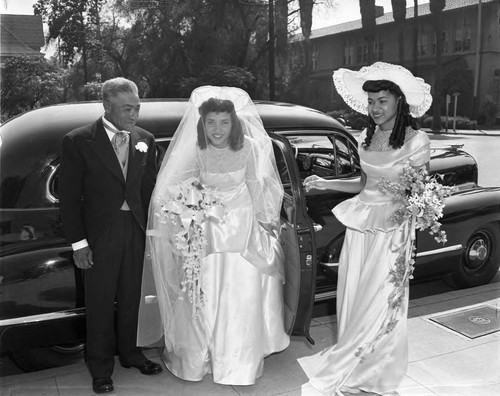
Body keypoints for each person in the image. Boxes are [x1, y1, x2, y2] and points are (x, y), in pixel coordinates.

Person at [137, 86, 290, 385]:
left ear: (234, 122)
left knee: (241, 292)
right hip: (207, 226)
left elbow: (255, 185)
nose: (217, 129)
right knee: (202, 290)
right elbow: (181, 188)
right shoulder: (196, 149)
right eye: (211, 122)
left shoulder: (249, 146)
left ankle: (238, 361)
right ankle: (199, 358)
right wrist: (184, 212)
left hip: (242, 226)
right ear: (202, 123)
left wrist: (265, 219)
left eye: (224, 122)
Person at [298, 62, 433, 396]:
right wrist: (324, 181)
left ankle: (377, 371)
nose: (375, 108)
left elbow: (420, 190)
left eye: (382, 100)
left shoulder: (417, 141)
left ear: (399, 101)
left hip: (393, 231)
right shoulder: (366, 136)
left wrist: (419, 211)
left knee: (382, 299)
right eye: (371, 101)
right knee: (356, 295)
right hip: (361, 227)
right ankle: (356, 360)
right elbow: (364, 183)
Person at [59, 77, 162, 394]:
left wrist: (157, 233)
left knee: (134, 297)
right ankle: (101, 367)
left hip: (137, 229)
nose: (134, 115)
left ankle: (131, 354)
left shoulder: (145, 139)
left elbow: (151, 190)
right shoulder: (78, 141)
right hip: (100, 234)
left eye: (137, 108)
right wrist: (79, 243)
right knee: (100, 302)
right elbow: (69, 196)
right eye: (126, 109)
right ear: (106, 107)